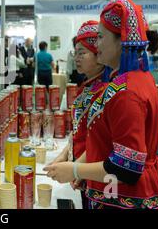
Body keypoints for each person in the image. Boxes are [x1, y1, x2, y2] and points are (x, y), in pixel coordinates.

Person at [44, 0, 158, 209]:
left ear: (122, 40)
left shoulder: (127, 92)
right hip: (114, 193)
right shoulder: (132, 81)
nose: (97, 42)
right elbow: (105, 142)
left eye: (101, 37)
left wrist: (74, 170)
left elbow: (127, 168)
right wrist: (73, 163)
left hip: (125, 198)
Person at [47, 21, 105, 209]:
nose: (77, 58)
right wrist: (64, 156)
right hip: (84, 172)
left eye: (82, 53)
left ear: (99, 54)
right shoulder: (87, 87)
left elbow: (101, 141)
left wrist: (75, 169)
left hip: (98, 177)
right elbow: (79, 130)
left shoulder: (106, 92)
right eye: (75, 53)